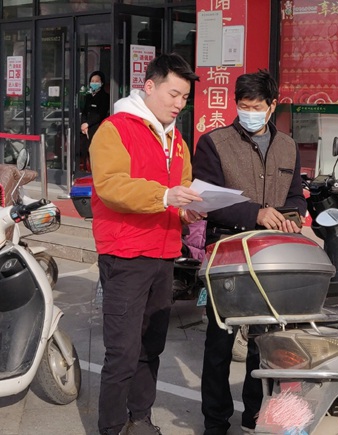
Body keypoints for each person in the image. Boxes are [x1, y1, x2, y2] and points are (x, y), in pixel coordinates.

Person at [90, 53, 204, 435]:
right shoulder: (115, 129)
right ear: (150, 86)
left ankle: (140, 418)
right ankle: (111, 427)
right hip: (125, 254)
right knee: (122, 352)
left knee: (151, 347)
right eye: (174, 94)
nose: (179, 103)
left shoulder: (177, 141)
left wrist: (187, 211)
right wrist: (166, 196)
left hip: (164, 254)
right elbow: (111, 186)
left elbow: (182, 188)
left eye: (184, 98)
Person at [193, 70, 307, 435]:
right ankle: (215, 422)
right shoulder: (214, 143)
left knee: (266, 340)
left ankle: (255, 414)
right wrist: (255, 213)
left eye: (257, 107)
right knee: (219, 342)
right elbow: (207, 200)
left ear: (272, 106)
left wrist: (294, 215)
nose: (249, 113)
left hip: (271, 254)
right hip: (227, 251)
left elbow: (295, 195)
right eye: (243, 106)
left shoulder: (288, 146)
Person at [80, 70, 110, 171]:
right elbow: (84, 112)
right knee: (85, 152)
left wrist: (87, 123)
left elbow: (100, 114)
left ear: (102, 83)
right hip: (86, 130)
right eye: (92, 81)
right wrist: (83, 124)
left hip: (97, 128)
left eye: (97, 81)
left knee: (96, 153)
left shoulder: (105, 97)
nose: (94, 83)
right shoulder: (88, 96)